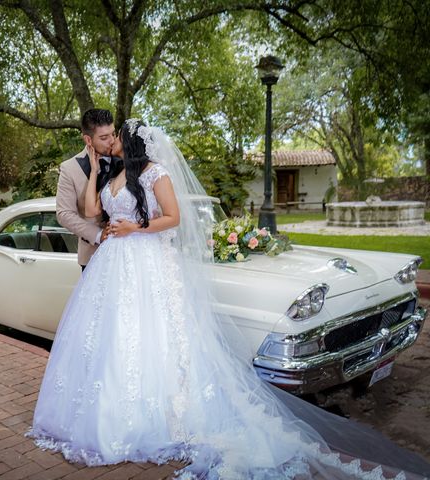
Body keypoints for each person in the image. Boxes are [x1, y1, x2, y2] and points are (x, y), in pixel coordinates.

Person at [29, 119, 430, 479]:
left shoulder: (156, 174)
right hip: (112, 265)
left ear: (132, 143)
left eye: (117, 137)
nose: (112, 140)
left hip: (145, 258)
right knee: (115, 339)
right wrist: (99, 170)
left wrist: (136, 226)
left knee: (155, 335)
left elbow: (174, 218)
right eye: (107, 137)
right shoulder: (112, 173)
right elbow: (89, 210)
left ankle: (162, 412)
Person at [56, 108, 122, 271]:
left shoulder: (125, 158)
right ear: (88, 139)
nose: (111, 141)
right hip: (92, 255)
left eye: (113, 134)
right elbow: (64, 214)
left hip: (127, 251)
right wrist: (99, 235)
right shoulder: (69, 169)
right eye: (104, 137)